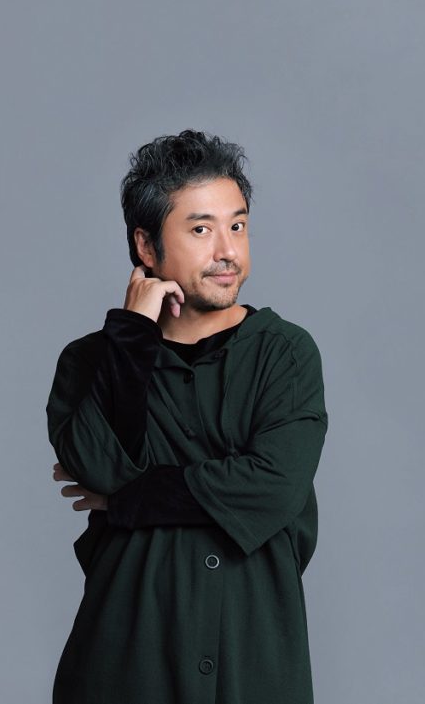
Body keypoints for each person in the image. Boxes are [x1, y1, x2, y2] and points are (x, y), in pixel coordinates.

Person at [47, 130, 327, 704]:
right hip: (124, 667)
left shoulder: (285, 354)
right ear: (146, 247)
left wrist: (129, 502)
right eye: (201, 230)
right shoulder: (90, 361)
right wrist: (131, 337)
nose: (228, 250)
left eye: (238, 226)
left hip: (254, 667)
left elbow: (274, 487)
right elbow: (96, 464)